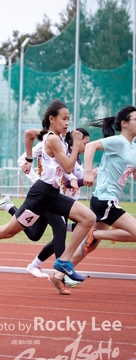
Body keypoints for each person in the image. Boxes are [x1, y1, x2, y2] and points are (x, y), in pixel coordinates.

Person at [0, 99, 96, 295]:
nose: (67, 122)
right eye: (64, 118)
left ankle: (64, 261)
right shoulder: (52, 139)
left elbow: (28, 134)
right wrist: (76, 144)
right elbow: (68, 167)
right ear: (52, 119)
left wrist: (29, 158)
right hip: (41, 195)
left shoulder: (54, 137)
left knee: (88, 218)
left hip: (53, 194)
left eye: (69, 118)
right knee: (7, 232)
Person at [0, 128, 91, 288]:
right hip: (46, 196)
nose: (87, 147)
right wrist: (37, 181)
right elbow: (23, 157)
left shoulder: (68, 151)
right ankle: (61, 275)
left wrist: (77, 180)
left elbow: (67, 174)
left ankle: (9, 206)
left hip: (59, 199)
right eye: (85, 143)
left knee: (35, 234)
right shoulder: (48, 142)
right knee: (60, 228)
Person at [73, 105, 136, 264]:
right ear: (124, 123)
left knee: (90, 246)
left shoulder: (133, 148)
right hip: (105, 200)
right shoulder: (119, 141)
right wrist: (88, 172)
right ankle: (95, 234)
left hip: (106, 200)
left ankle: (60, 272)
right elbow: (90, 146)